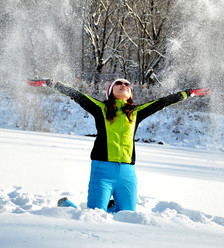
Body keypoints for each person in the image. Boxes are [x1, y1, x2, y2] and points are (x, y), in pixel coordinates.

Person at [27, 78, 210, 213]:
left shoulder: (137, 112)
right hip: (102, 170)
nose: (124, 86)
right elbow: (77, 95)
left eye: (128, 85)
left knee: (127, 216)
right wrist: (50, 83)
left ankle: (111, 206)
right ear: (110, 91)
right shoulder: (100, 108)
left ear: (130, 94)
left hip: (127, 174)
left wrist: (189, 92)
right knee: (94, 216)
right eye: (119, 84)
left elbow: (162, 102)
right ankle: (67, 206)